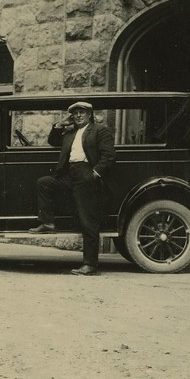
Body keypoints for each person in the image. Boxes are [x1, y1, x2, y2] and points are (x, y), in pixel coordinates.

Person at [29, 101, 115, 276]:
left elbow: (108, 155)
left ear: (89, 114)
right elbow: (53, 140)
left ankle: (90, 265)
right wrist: (60, 124)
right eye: (75, 113)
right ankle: (47, 222)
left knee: (87, 220)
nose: (78, 116)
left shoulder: (99, 131)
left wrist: (95, 174)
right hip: (69, 175)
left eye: (82, 112)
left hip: (87, 175)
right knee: (44, 183)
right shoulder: (70, 133)